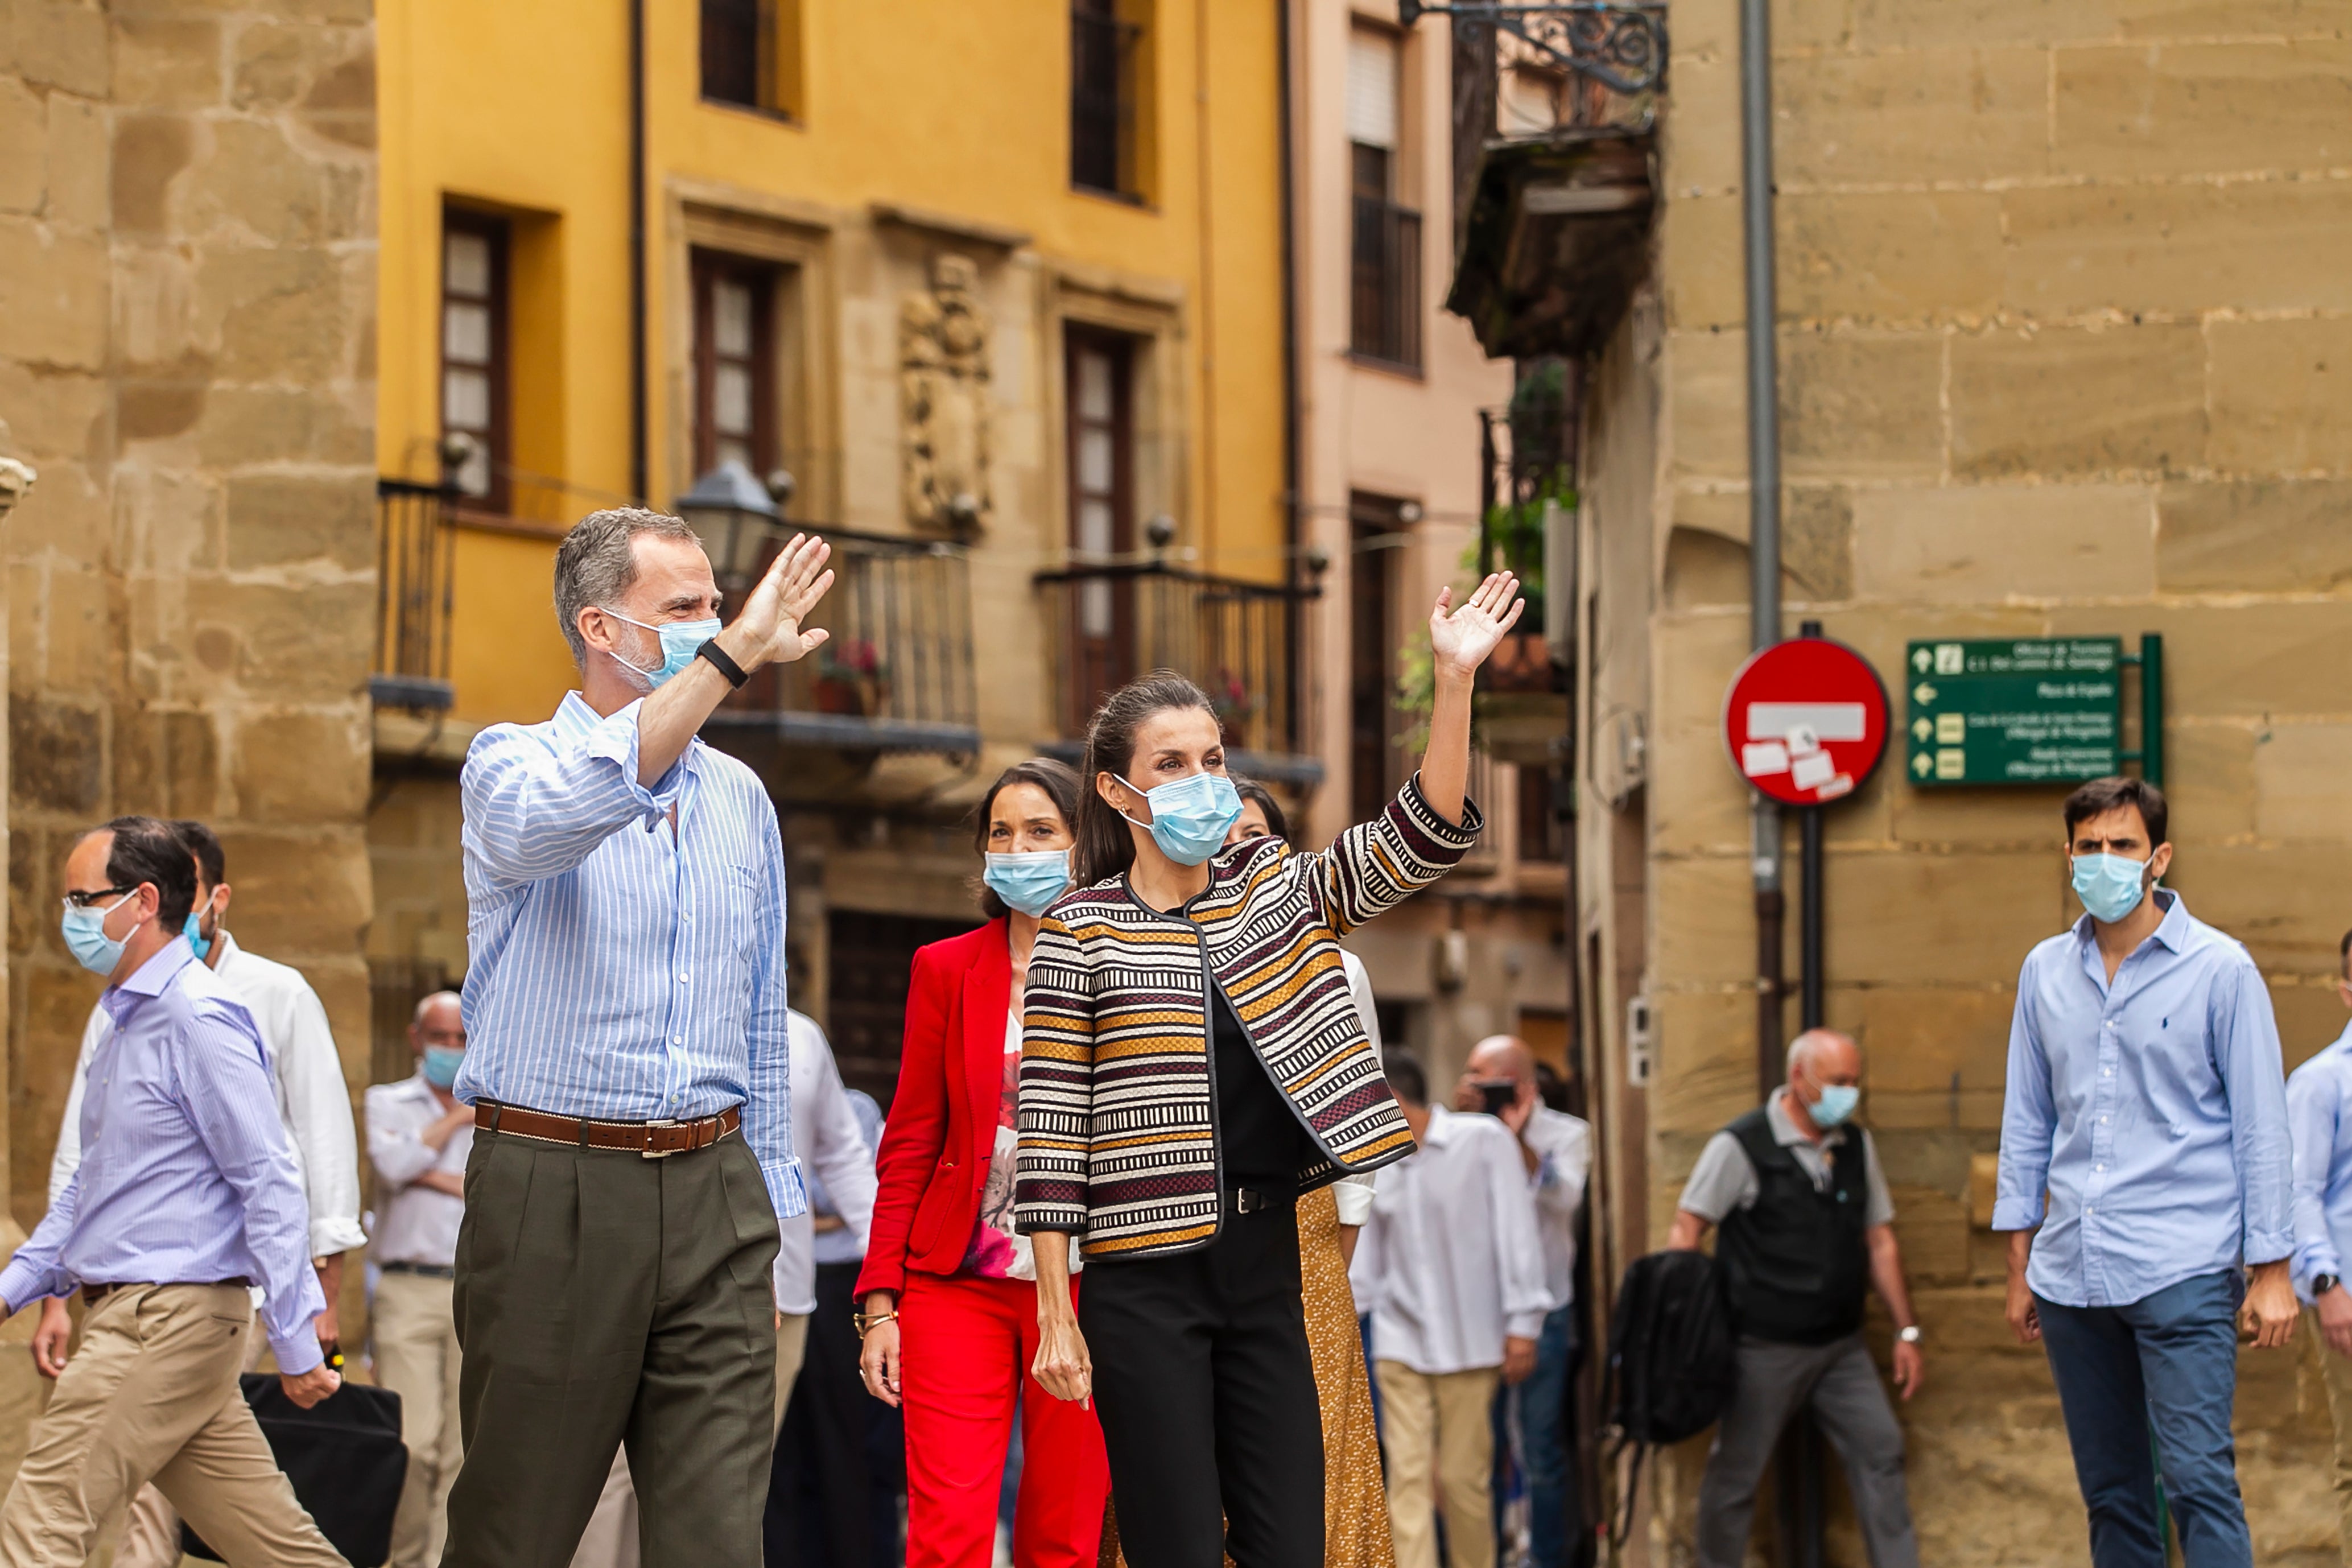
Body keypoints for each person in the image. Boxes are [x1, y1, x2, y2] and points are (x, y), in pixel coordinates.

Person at [1017, 571, 1521, 1568]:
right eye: (1171, 764)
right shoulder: (1080, 929)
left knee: (1291, 1545)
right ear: (1119, 792)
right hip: (1139, 1278)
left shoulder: (1278, 892)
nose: (1202, 778)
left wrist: (1453, 683)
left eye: (1211, 757)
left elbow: (1412, 840)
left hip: (1265, 1268)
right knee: (1175, 1551)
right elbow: (1050, 1132)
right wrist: (1052, 1312)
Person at [445, 506, 835, 1567]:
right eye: (687, 608)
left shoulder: (742, 799)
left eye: (718, 603)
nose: (721, 621)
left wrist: (762, 1210)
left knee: (716, 1540)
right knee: (516, 1531)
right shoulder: (509, 764)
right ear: (601, 627)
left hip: (712, 1196)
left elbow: (760, 1016)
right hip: (549, 1185)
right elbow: (563, 816)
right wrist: (731, 654)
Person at [0, 815, 343, 1564]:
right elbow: (94, 1192)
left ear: (143, 901)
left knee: (40, 1522)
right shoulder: (126, 1019)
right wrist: (13, 1288)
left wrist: (293, 1337)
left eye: (81, 900)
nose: (68, 918)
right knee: (276, 1547)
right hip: (163, 1322)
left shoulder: (198, 1015)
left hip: (161, 1320)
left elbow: (270, 1179)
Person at [1995, 775, 2295, 1568]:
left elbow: (2262, 1127)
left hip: (2182, 1267)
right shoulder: (2043, 973)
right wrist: (2019, 1261)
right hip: (2070, 1275)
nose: (2104, 861)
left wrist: (2271, 1268)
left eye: (2121, 846)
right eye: (2088, 847)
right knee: (2112, 1494)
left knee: (2197, 1481)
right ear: (2067, 855)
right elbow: (2026, 1120)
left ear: (2157, 857)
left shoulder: (2220, 970)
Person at [856, 758, 1111, 1568]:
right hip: (954, 1284)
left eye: (1041, 831)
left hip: (1088, 1284)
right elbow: (908, 1146)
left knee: (1063, 1537)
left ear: (1082, 846)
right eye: (1000, 833)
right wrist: (880, 1304)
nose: (1017, 848)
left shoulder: (1132, 963)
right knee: (946, 1535)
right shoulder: (945, 969)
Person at [1217, 778, 1396, 1568]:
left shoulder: (1332, 964)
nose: (1238, 852)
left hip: (1305, 1217)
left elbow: (1359, 1107)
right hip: (1191, 1212)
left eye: (1255, 838)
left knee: (1315, 1420)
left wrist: (1340, 1237)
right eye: (1223, 838)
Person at [1670, 1029, 1922, 1568]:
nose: (1849, 1094)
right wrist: (1695, 1326)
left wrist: (1906, 1330)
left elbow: (1880, 1240)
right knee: (1736, 1474)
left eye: (1855, 1083)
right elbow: (1687, 1227)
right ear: (1798, 1079)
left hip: (1841, 1345)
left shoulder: (1855, 1146)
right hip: (1764, 1347)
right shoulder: (1742, 1145)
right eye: (1838, 1083)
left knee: (1881, 1452)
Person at [1351, 1054, 1549, 1568]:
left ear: (1392, 1099)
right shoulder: (1375, 1161)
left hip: (1473, 1340)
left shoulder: (1482, 1141)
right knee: (1408, 1480)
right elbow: (1366, 1262)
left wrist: (1523, 1325)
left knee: (1465, 1482)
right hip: (1400, 1341)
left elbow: (1517, 1233)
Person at [1455, 1035, 1591, 1568]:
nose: (1475, 1088)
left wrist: (1516, 1141)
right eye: (1469, 1076)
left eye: (1485, 1079)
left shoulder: (1568, 1134)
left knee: (1542, 1451)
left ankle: (1549, 1559)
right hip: (1479, 1311)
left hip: (1546, 1311)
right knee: (1480, 1453)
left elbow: (1564, 1197)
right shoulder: (1461, 1135)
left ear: (1523, 1085)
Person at [366, 991, 474, 1568]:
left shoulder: (500, 1108)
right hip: (407, 1287)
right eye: (441, 1038)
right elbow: (390, 1166)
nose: (452, 1049)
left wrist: (425, 1169)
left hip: (474, 1292)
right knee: (413, 1441)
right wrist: (457, 1117)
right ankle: (402, 1558)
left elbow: (484, 1188)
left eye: (462, 1039)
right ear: (416, 1038)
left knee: (463, 1447)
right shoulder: (387, 1101)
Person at [774, 1084, 895, 1568]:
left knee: (847, 1445)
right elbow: (821, 1200)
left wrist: (804, 1212)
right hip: (786, 1282)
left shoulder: (857, 1106)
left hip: (847, 1283)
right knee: (781, 1448)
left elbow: (851, 1197)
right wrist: (816, 1213)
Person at [2288, 928, 2352, 1563]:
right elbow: (2298, 1191)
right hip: (2349, 1298)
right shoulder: (2321, 1083)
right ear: (2346, 991)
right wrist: (2328, 1287)